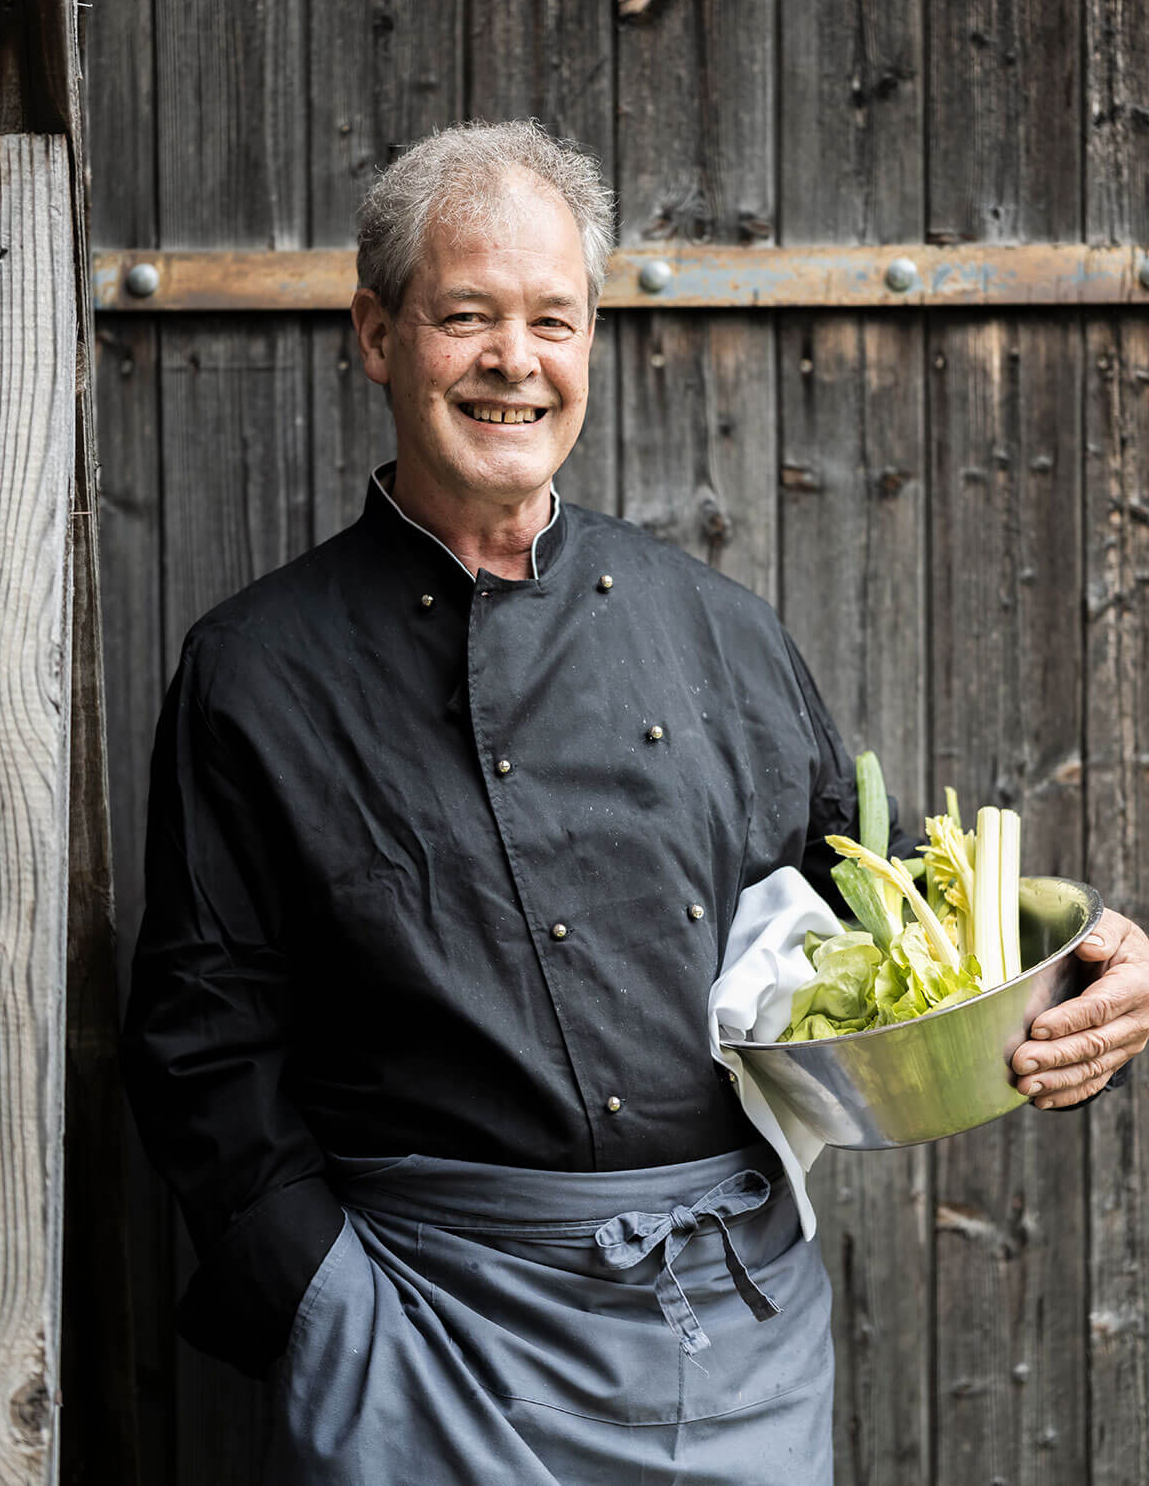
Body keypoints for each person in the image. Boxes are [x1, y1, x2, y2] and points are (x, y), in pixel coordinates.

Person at [120, 120, 1149, 1485]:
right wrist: (332, 1315)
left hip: (734, 1335)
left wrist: (1075, 968)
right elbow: (203, 1046)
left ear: (591, 341)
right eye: (466, 316)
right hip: (429, 1344)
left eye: (553, 318)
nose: (514, 361)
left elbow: (895, 899)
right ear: (376, 336)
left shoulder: (711, 627)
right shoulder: (255, 671)